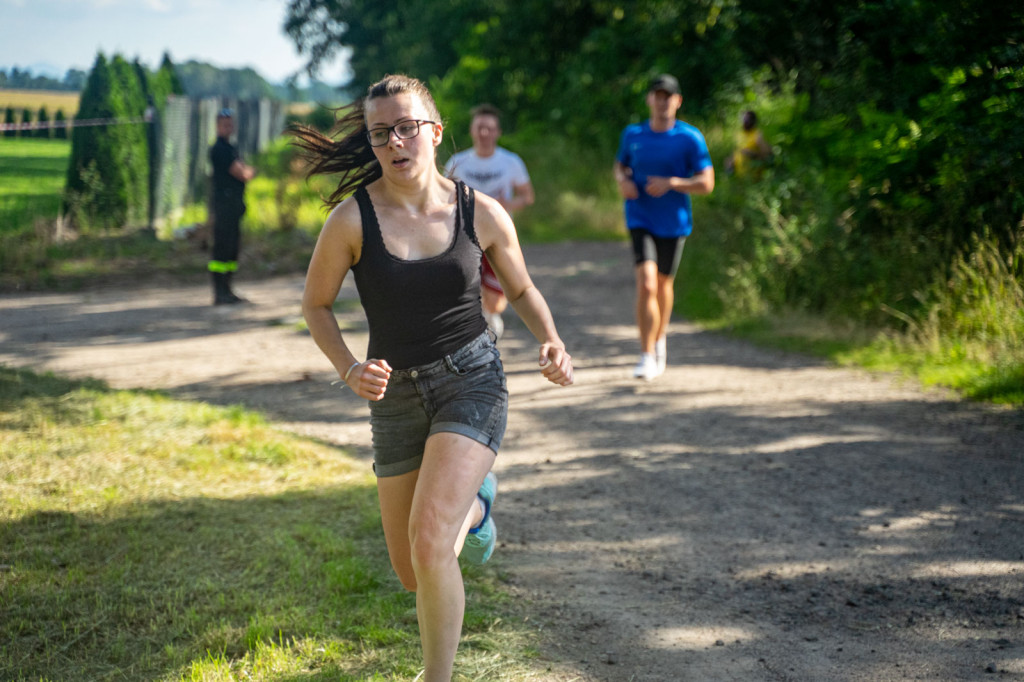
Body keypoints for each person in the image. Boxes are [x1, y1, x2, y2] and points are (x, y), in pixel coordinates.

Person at [291, 74, 574, 682]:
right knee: (411, 570)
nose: (394, 142)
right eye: (379, 133)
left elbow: (520, 288)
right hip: (395, 399)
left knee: (428, 539)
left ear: (436, 132)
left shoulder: (481, 210)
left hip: (471, 379)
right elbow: (315, 305)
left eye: (406, 127)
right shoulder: (352, 220)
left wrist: (550, 340)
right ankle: (478, 509)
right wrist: (349, 368)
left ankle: (435, 677)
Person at [613, 73, 715, 380]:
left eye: (668, 96)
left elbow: (707, 183)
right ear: (649, 100)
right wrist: (623, 182)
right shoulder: (633, 135)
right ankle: (646, 355)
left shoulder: (690, 138)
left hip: (673, 222)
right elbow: (621, 165)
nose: (662, 101)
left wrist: (673, 183)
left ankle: (659, 340)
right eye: (657, 95)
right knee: (646, 283)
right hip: (640, 217)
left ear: (677, 101)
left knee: (663, 285)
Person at [443, 104, 535, 338]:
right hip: (463, 236)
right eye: (480, 128)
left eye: (490, 128)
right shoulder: (458, 162)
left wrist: (508, 205)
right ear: (472, 131)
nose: (484, 133)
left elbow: (527, 196)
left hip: (498, 237)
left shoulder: (510, 162)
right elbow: (441, 197)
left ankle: (490, 313)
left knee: (495, 300)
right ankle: (472, 328)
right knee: (463, 288)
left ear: (498, 132)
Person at [208, 108, 256, 305]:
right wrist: (249, 171)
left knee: (232, 249)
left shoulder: (231, 147)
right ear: (218, 126)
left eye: (230, 124)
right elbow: (243, 173)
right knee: (222, 248)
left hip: (234, 207)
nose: (229, 128)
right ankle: (219, 291)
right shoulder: (220, 150)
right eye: (225, 125)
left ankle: (228, 289)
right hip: (223, 207)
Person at [725, 109, 772, 179]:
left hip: (754, 177)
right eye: (743, 119)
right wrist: (730, 161)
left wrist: (753, 154)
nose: (745, 122)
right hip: (740, 177)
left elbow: (767, 154)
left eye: (747, 120)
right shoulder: (739, 134)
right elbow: (736, 151)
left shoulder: (758, 134)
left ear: (753, 121)